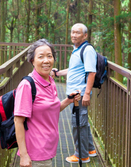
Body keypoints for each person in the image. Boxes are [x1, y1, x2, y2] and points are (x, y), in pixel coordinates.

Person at [14, 39, 81, 167]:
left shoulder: (50, 81)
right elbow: (18, 121)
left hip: (49, 147)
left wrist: (68, 100)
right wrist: (24, 155)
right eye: (41, 57)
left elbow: (52, 108)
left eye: (49, 56)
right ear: (32, 61)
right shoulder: (27, 85)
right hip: (35, 153)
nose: (46, 60)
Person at [50, 23, 97, 163]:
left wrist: (87, 93)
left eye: (77, 32)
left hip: (80, 94)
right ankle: (90, 149)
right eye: (72, 32)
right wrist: (57, 73)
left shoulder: (87, 50)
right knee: (83, 122)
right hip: (75, 94)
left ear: (85, 35)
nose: (74, 35)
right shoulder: (77, 49)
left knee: (78, 124)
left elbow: (92, 72)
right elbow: (73, 70)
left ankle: (81, 155)